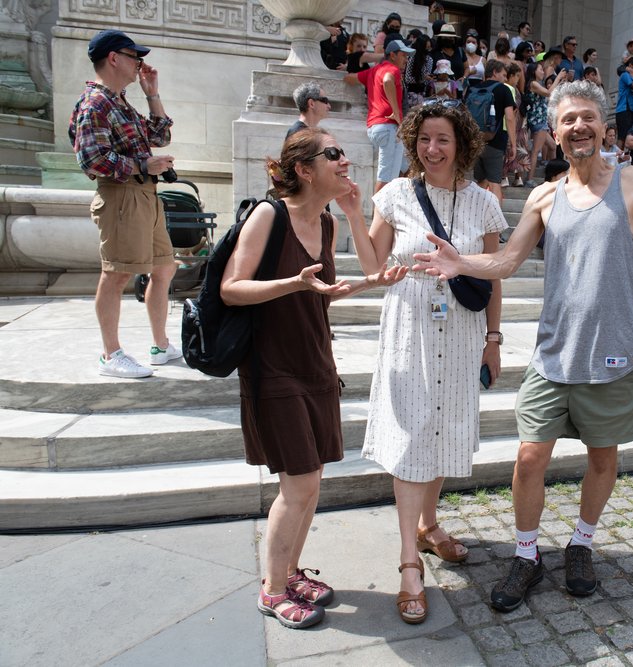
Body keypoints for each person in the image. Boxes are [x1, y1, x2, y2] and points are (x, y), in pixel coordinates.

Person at [411, 80, 633, 613]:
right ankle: (527, 554)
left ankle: (581, 543)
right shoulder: (545, 195)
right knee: (530, 458)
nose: (577, 127)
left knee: (602, 459)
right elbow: (507, 261)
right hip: (554, 354)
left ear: (605, 127)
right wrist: (460, 262)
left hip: (615, 353)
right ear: (554, 134)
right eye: (567, 120)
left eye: (586, 118)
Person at [221, 128, 407, 630]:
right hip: (272, 368)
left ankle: (291, 571)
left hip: (316, 365)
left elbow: (319, 292)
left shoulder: (325, 222)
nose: (345, 161)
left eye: (344, 153)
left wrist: (370, 276)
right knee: (298, 485)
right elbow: (232, 289)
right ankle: (273, 590)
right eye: (334, 154)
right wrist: (291, 282)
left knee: (312, 481)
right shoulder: (269, 215)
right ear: (304, 169)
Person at [350, 103, 507, 625]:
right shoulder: (394, 195)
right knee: (413, 433)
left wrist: (493, 339)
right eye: (424, 139)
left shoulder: (484, 204)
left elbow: (492, 275)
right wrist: (354, 212)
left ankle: (429, 525)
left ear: (460, 145)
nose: (432, 149)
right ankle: (409, 561)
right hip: (410, 325)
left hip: (462, 330)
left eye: (443, 140)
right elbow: (373, 267)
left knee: (442, 428)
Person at [70, 29, 178, 378]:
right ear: (114, 58)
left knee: (164, 268)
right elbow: (92, 160)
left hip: (144, 194)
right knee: (116, 274)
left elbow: (159, 135)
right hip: (122, 195)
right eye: (135, 57)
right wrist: (142, 165)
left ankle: (160, 345)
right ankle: (109, 354)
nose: (140, 65)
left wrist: (153, 95)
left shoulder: (119, 101)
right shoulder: (95, 103)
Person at [346, 40, 414, 193]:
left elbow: (349, 78)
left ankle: (395, 206)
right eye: (404, 55)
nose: (406, 59)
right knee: (386, 179)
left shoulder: (374, 70)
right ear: (392, 55)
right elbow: (388, 80)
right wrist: (396, 112)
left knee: (406, 167)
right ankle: (378, 216)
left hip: (376, 127)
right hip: (388, 127)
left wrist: (343, 70)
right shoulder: (393, 70)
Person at [468, 59, 517, 201]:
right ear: (495, 72)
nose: (505, 78)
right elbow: (510, 117)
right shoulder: (504, 89)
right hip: (495, 142)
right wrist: (513, 144)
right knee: (495, 183)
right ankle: (497, 222)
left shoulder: (473, 89)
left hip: (475, 142)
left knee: (480, 183)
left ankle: (475, 217)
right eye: (503, 74)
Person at [523, 61, 563, 187]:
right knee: (535, 151)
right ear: (534, 71)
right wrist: (558, 78)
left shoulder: (536, 84)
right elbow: (548, 93)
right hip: (538, 120)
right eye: (540, 69)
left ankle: (552, 177)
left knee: (552, 145)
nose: (542, 71)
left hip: (540, 120)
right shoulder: (533, 83)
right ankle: (529, 179)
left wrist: (559, 82)